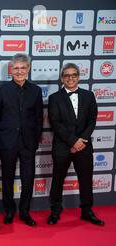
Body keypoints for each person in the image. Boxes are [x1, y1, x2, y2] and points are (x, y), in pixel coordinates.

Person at [0, 53, 43, 227]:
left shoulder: (36, 90)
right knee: (7, 178)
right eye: (16, 68)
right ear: (11, 70)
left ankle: (25, 212)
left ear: (28, 69)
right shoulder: (2, 90)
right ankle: (9, 211)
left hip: (28, 143)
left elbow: (39, 118)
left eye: (23, 68)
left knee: (28, 179)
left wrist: (35, 141)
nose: (19, 71)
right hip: (7, 142)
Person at [47, 63, 104, 226]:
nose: (70, 78)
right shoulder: (54, 98)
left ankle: (87, 211)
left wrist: (81, 140)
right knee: (57, 180)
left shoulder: (89, 96)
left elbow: (92, 120)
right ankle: (55, 211)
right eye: (66, 75)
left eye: (73, 75)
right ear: (62, 78)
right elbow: (55, 123)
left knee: (86, 180)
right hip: (62, 147)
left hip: (84, 146)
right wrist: (73, 141)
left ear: (78, 77)